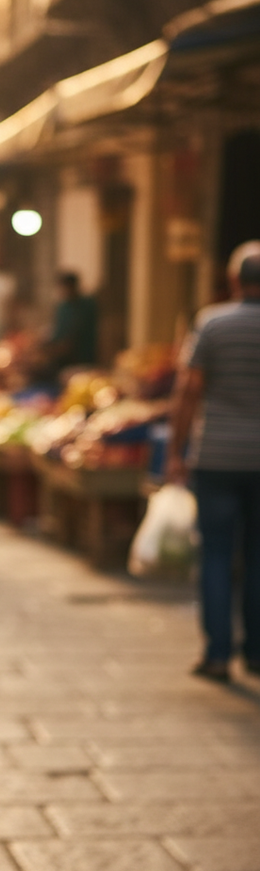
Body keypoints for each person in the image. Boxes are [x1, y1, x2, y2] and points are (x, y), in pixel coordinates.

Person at [167, 251, 260, 683]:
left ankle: (218, 654)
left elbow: (188, 389)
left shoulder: (213, 322)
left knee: (217, 555)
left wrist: (175, 450)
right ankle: (256, 651)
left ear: (234, 279)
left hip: (217, 457)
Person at [44, 270, 97, 381]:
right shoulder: (63, 307)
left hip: (81, 357)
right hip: (62, 356)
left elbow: (74, 335)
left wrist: (57, 349)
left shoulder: (87, 306)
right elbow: (58, 331)